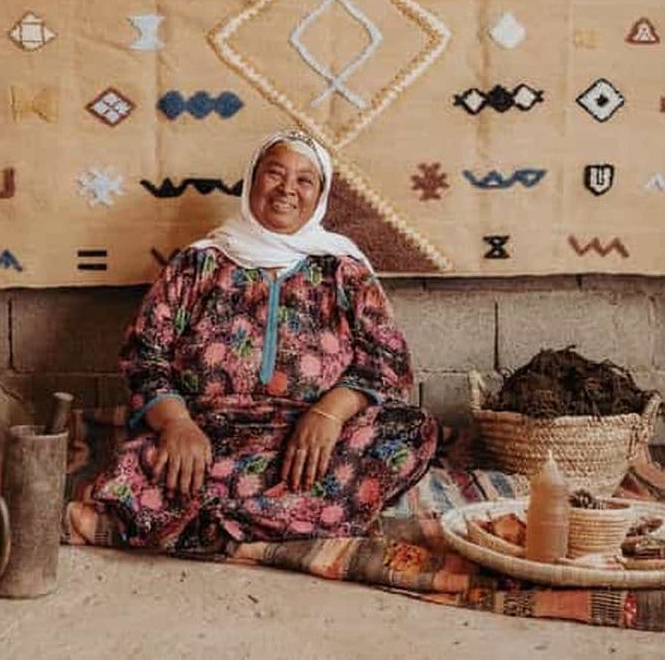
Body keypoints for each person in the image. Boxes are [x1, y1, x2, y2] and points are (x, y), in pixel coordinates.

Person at [92, 130, 439, 552]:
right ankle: (291, 517)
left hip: (315, 440)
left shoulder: (342, 270)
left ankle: (211, 521)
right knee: (137, 465)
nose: (287, 190)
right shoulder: (198, 264)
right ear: (252, 181)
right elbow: (144, 357)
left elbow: (386, 362)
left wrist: (328, 416)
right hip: (210, 433)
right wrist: (177, 424)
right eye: (274, 174)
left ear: (320, 195)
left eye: (304, 180)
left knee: (409, 431)